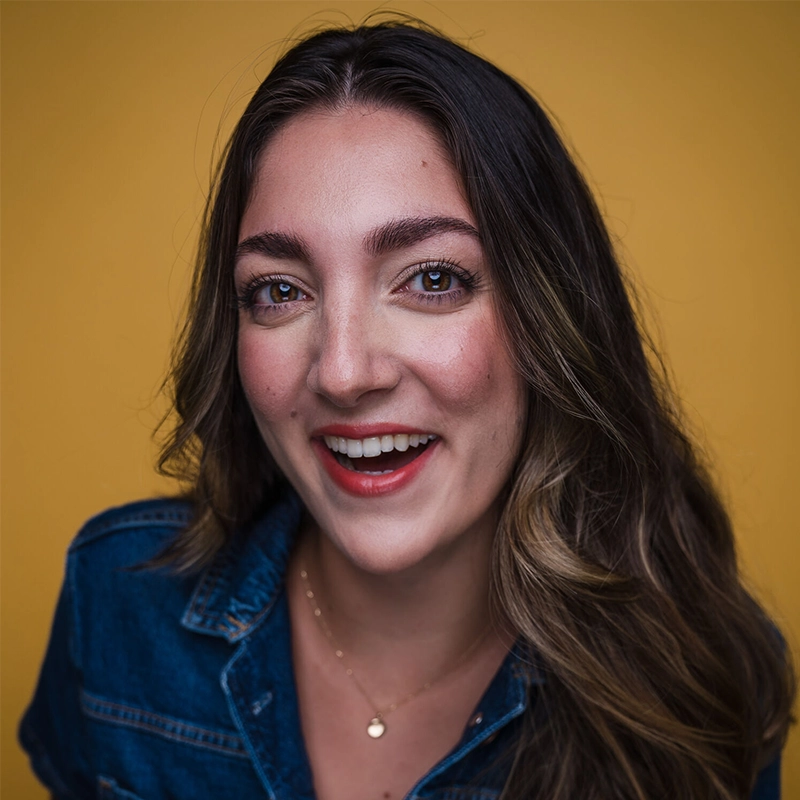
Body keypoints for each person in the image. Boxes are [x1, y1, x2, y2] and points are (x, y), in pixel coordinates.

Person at [20, 19, 794, 800]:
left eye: (431, 279)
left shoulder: (698, 677)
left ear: (547, 315)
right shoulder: (118, 604)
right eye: (280, 290)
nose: (345, 372)